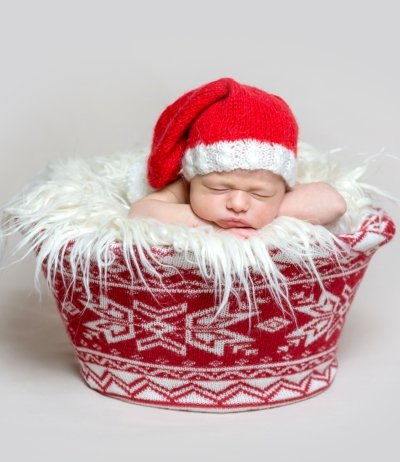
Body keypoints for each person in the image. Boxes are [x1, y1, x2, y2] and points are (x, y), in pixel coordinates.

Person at [128, 78, 347, 238]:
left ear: (282, 186)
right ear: (191, 179)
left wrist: (267, 213)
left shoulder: (273, 184)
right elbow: (140, 211)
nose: (238, 204)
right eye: (219, 188)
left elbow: (333, 203)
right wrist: (209, 226)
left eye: (259, 193)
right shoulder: (185, 187)